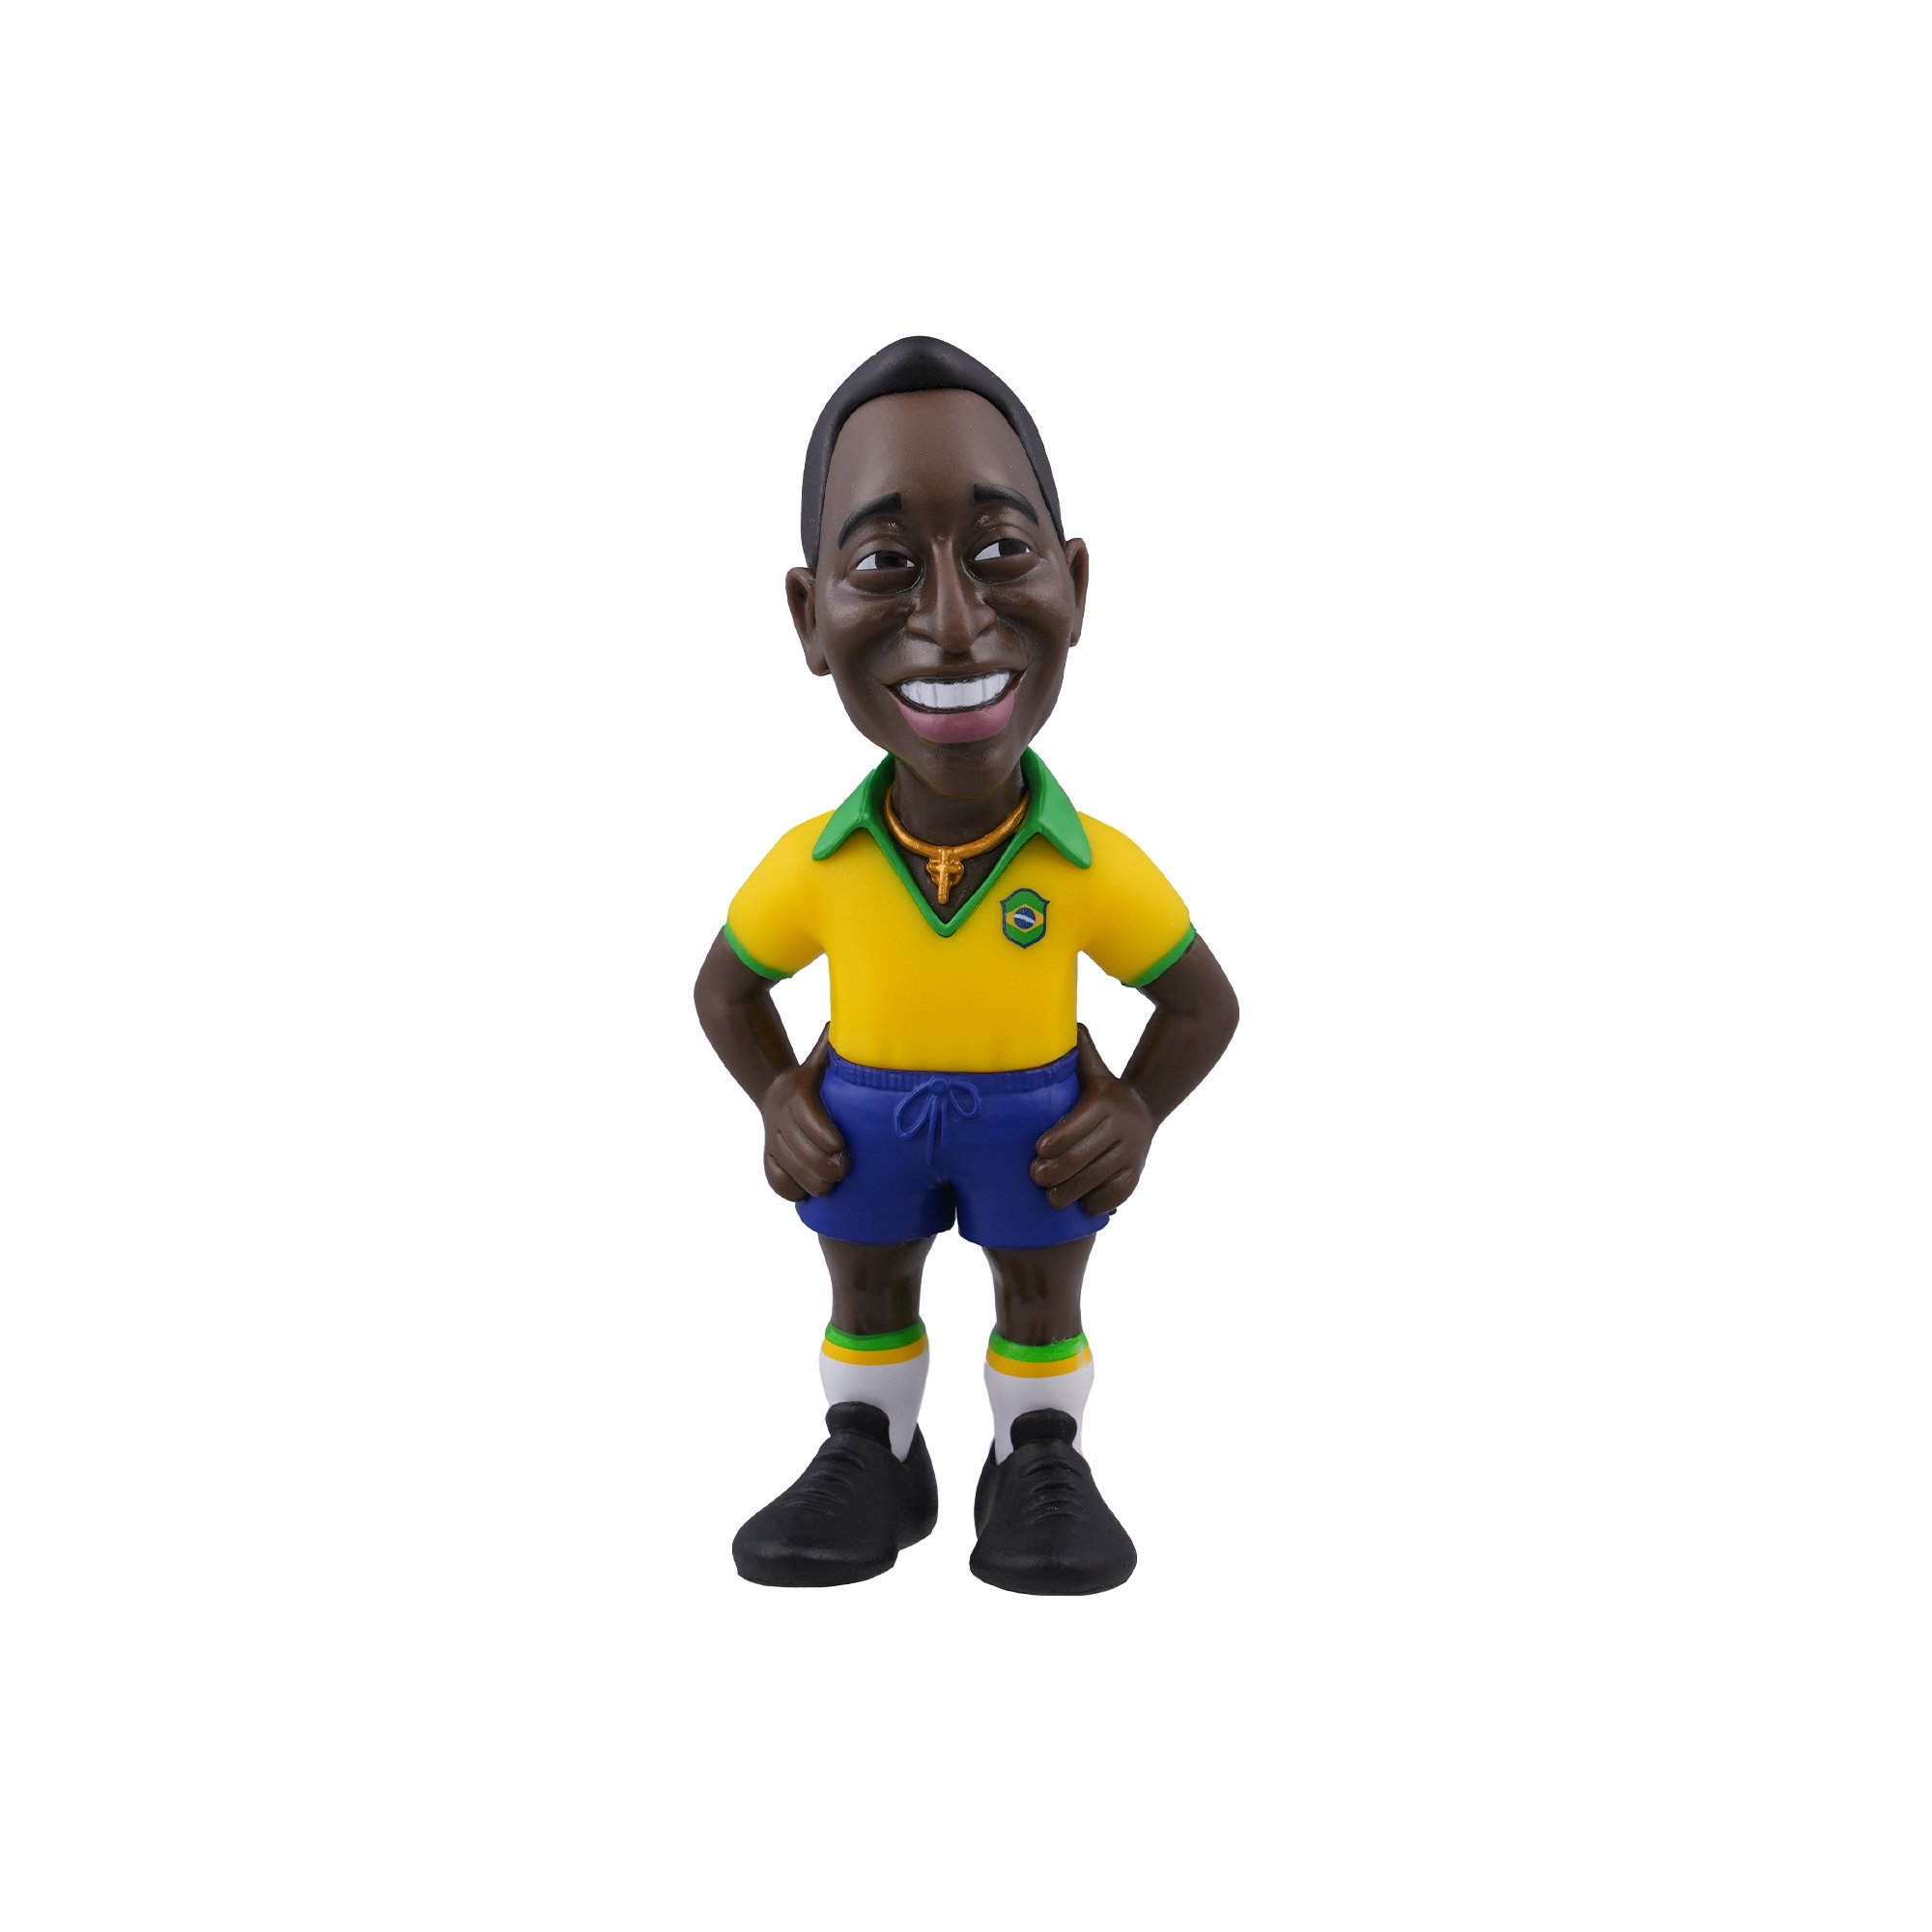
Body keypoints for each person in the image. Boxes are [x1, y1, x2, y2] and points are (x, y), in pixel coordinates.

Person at [694, 337, 1239, 1594]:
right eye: (886, 566)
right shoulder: (816, 865)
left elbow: (1201, 1002)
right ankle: (872, 1447)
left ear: (1076, 586)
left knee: (1041, 1295)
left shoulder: (1089, 867)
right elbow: (725, 987)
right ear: (809, 618)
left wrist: (1135, 1109)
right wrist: (777, 1095)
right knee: (865, 1287)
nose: (950, 625)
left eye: (999, 553)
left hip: (1036, 1130)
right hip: (863, 1121)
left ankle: (1035, 1454)